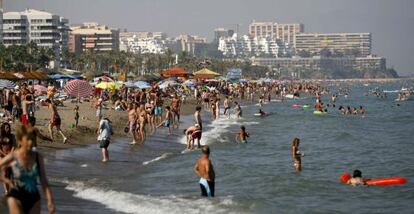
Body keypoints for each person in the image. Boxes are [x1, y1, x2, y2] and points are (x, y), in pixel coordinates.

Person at [0, 126, 55, 214]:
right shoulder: (13, 156)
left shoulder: (37, 157)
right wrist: (5, 180)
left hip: (34, 198)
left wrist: (50, 199)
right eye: (28, 139)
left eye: (32, 139)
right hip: (16, 196)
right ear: (21, 141)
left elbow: (43, 180)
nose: (31, 142)